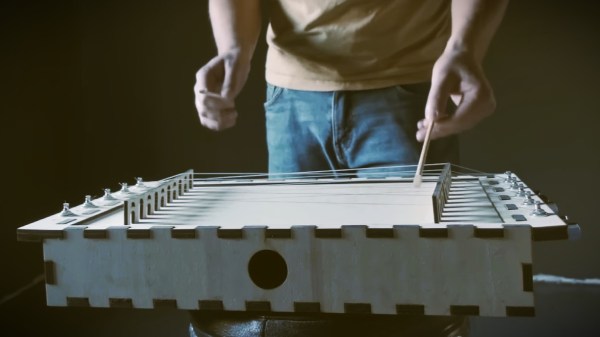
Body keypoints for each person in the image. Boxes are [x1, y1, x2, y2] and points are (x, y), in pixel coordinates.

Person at [192, 0, 508, 336]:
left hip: (409, 90)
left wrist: (465, 47)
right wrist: (233, 50)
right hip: (291, 100)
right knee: (298, 288)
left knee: (418, 293)